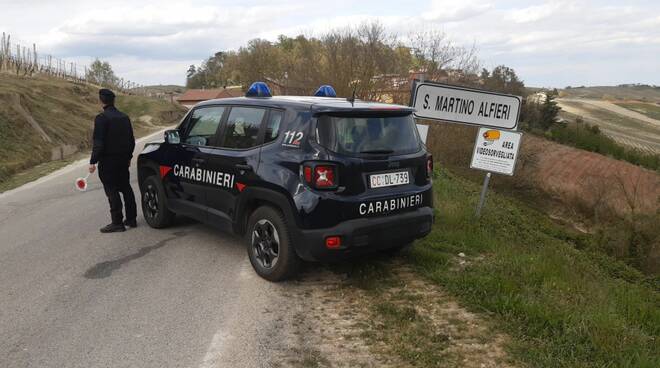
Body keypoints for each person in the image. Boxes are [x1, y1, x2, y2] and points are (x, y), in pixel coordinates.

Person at [89, 89, 137, 233]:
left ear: (101, 101)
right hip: (123, 159)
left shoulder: (101, 118)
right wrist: (129, 157)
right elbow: (131, 140)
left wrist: (93, 161)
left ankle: (117, 222)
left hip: (108, 161)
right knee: (126, 188)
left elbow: (99, 143)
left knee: (111, 190)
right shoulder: (124, 117)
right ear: (113, 100)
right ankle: (131, 219)